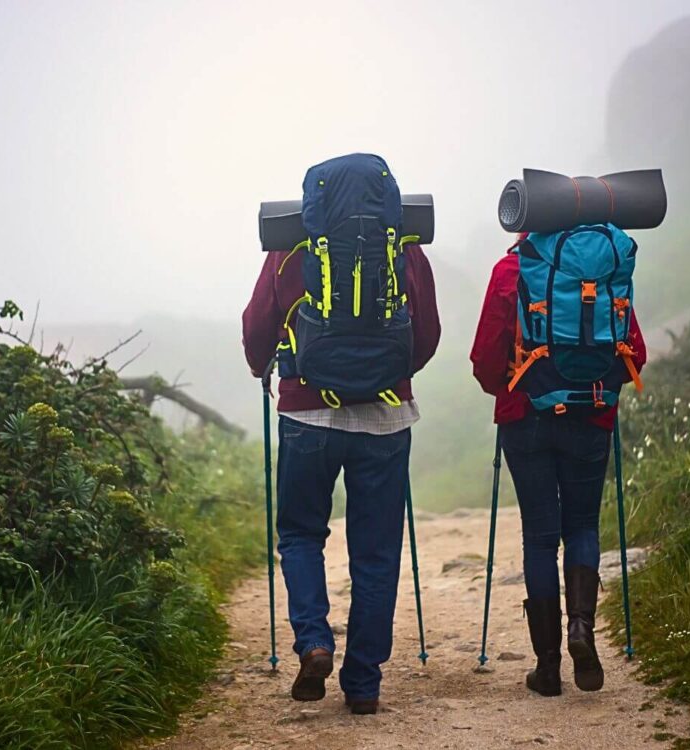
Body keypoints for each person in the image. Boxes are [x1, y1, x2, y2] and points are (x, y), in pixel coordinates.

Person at [242, 155, 440, 715]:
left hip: (306, 416)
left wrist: (266, 366)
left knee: (302, 535)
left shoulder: (293, 243)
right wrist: (390, 375)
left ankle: (314, 641)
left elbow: (257, 328)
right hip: (386, 419)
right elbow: (426, 334)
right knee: (375, 553)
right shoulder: (403, 246)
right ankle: (364, 684)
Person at [470, 232, 646, 696]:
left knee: (540, 537)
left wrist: (508, 386)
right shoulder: (606, 270)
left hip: (525, 418)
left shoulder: (511, 271)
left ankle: (547, 668)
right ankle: (581, 631)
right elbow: (636, 353)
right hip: (591, 414)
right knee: (584, 527)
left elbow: (484, 360)